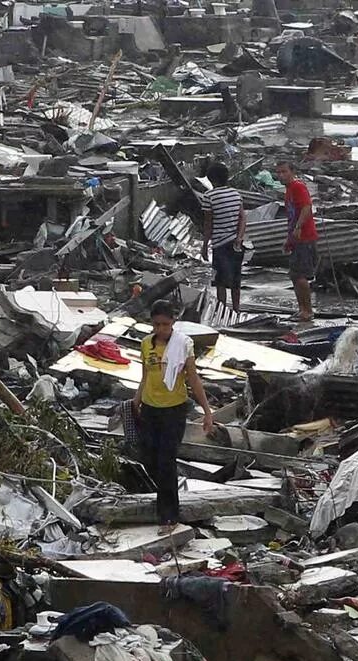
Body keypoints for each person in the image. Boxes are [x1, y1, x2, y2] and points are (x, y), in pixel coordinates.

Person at [133, 299, 214, 531]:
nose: (160, 329)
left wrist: (207, 411)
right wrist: (136, 402)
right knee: (149, 457)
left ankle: (169, 516)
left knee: (166, 461)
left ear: (173, 323)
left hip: (173, 410)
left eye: (165, 325)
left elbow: (193, 379)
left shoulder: (183, 345)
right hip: (150, 407)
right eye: (156, 325)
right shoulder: (146, 344)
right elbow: (145, 376)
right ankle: (162, 503)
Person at [202, 161, 245, 318]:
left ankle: (222, 312)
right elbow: (242, 218)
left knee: (220, 281)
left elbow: (208, 224)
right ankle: (236, 310)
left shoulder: (209, 197)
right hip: (235, 244)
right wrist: (239, 238)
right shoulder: (236, 194)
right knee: (235, 280)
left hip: (220, 244)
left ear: (211, 179)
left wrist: (205, 245)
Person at [276, 159, 318, 323]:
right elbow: (292, 217)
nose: (281, 175)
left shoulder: (298, 187)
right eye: (278, 172)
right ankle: (303, 310)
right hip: (297, 237)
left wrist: (299, 227)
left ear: (292, 172)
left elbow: (307, 207)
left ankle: (307, 311)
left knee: (300, 275)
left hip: (305, 237)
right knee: (295, 275)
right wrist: (289, 239)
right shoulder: (289, 190)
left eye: (284, 172)